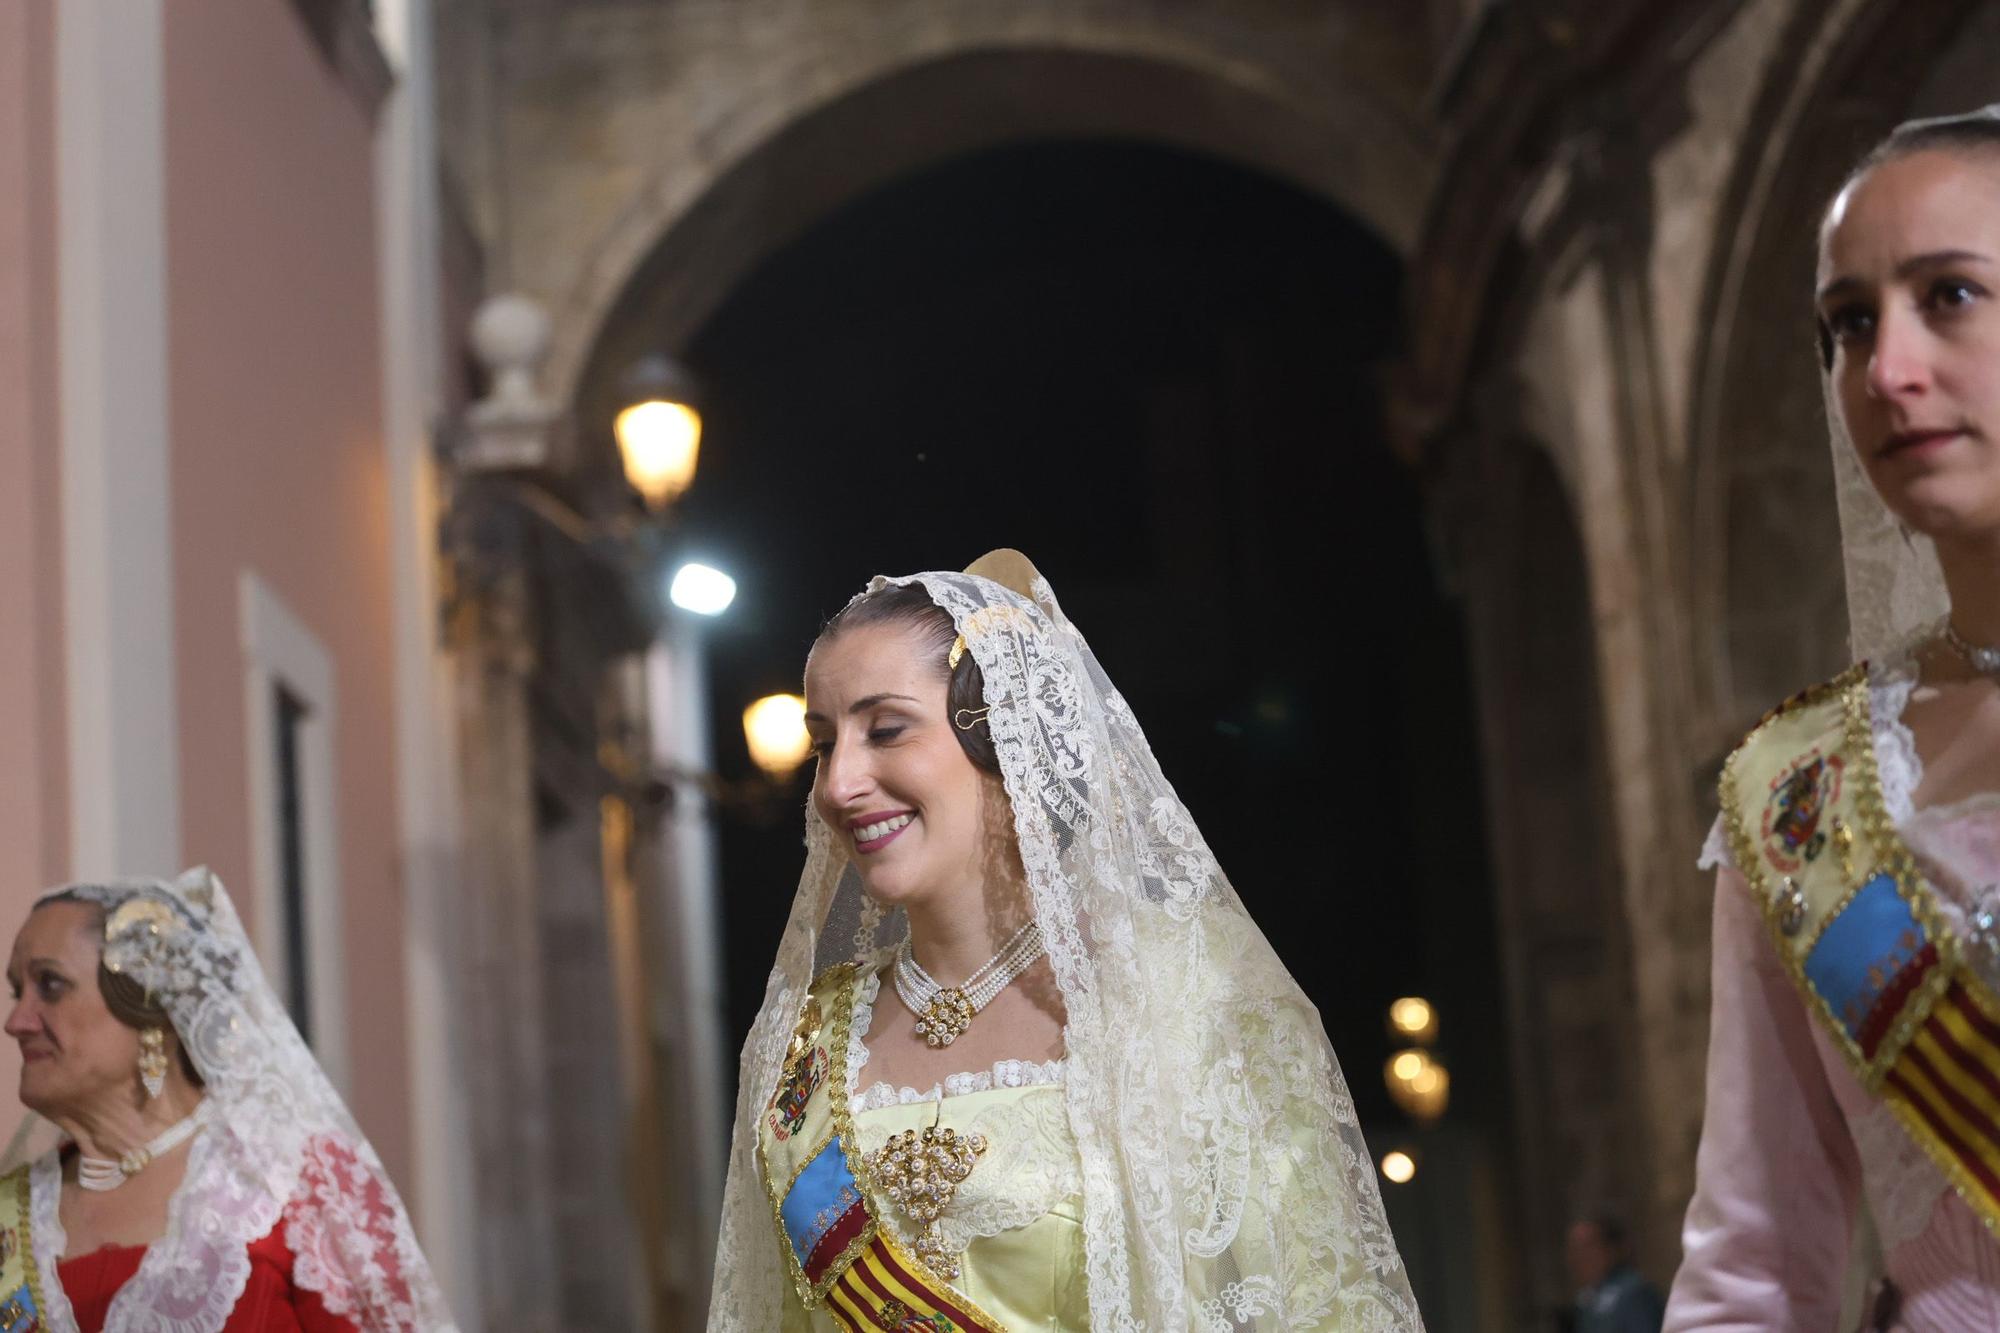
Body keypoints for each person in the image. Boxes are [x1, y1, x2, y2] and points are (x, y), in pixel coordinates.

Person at [707, 551, 1423, 1331]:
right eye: (822, 744)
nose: (839, 782)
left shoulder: (1185, 998)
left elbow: (1319, 1306)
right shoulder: (804, 1041)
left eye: (885, 729)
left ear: (1004, 735)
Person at [1665, 106, 2000, 1329]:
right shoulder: (1801, 797)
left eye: (1947, 296)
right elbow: (1752, 1262)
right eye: (1848, 323)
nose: (1886, 370)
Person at [0, 866, 455, 1331]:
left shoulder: (288, 1184)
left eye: (50, 985)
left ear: (148, 1002)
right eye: (18, 991)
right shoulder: (12, 1216)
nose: (16, 1021)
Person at [1566, 1213, 1662, 1333]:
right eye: (1575, 1249)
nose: (1580, 1257)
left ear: (1612, 1249)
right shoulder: (1587, 1297)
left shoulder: (1634, 1292)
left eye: (1588, 1247)